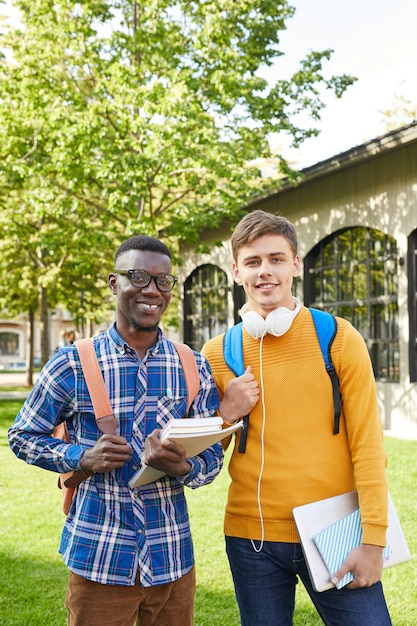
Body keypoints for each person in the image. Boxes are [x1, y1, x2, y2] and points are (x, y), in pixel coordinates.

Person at [8, 234, 223, 626]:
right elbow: (21, 436)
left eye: (163, 281)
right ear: (113, 283)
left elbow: (211, 458)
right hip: (99, 561)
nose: (152, 290)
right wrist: (81, 457)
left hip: (171, 559)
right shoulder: (72, 363)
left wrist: (185, 468)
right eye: (138, 276)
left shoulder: (192, 364)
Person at [201, 210, 392, 626]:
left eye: (276, 259)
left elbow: (368, 446)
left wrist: (374, 539)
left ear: (295, 265)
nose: (264, 271)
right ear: (236, 271)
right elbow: (205, 458)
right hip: (251, 539)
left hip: (337, 532)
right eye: (252, 262)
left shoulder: (338, 338)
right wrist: (225, 412)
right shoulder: (216, 352)